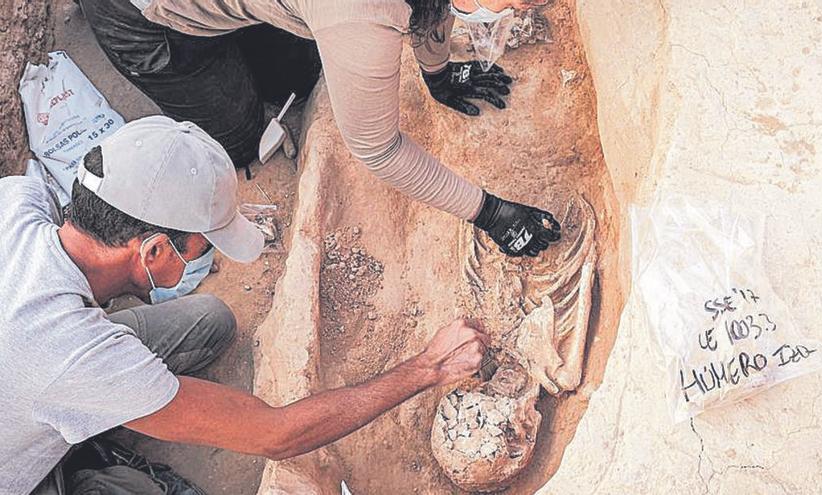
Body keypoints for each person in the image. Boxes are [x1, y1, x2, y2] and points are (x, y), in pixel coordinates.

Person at [1, 116, 489, 494]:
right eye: (202, 246)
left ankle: (80, 417)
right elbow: (275, 434)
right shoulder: (78, 356)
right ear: (151, 251)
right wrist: (427, 368)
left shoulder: (19, 200)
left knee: (208, 322)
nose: (209, 257)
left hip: (30, 375)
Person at [78, 0, 562, 258]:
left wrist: (436, 74)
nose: (527, 7)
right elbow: (378, 149)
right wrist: (489, 212)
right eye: (520, 1)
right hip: (142, 16)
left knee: (302, 68)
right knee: (243, 138)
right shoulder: (358, 12)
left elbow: (431, 7)